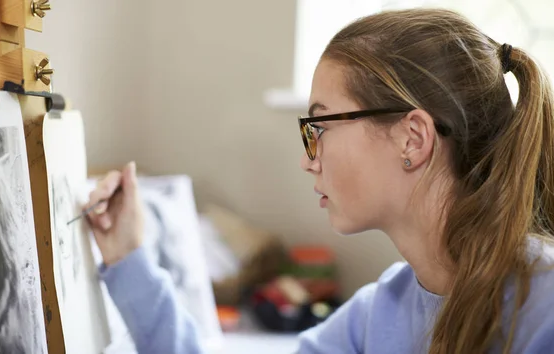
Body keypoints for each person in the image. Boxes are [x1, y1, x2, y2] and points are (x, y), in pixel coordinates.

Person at [86, 8, 554, 354]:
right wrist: (129, 259)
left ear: (413, 138)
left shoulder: (544, 309)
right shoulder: (379, 313)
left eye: (320, 127)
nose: (308, 162)